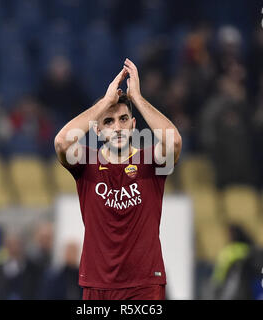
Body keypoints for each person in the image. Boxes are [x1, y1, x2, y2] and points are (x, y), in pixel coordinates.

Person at [54, 58, 182, 300]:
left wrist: (137, 99)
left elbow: (174, 142)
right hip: (97, 284)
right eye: (109, 121)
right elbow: (61, 142)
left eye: (124, 119)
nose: (118, 127)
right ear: (98, 130)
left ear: (134, 126)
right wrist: (106, 102)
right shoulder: (86, 163)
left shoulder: (151, 162)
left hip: (144, 285)